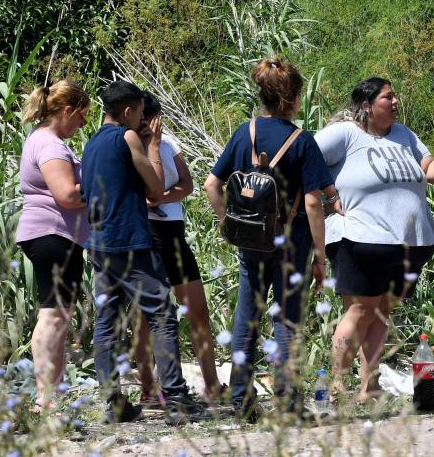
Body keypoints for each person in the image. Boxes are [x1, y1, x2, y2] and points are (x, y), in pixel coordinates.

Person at [314, 77, 434, 403]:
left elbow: (428, 168)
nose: (396, 101)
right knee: (360, 310)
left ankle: (369, 387)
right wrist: (328, 196)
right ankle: (338, 387)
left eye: (395, 96)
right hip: (360, 237)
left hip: (409, 241)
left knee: (382, 311)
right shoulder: (345, 134)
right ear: (366, 105)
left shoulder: (405, 136)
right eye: (388, 97)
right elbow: (304, 158)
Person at [204, 57, 336, 420]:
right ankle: (289, 403)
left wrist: (228, 224)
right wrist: (321, 257)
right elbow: (312, 201)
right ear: (293, 98)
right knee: (286, 322)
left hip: (251, 243)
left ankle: (242, 402)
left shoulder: (244, 132)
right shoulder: (302, 141)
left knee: (246, 320)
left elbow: (211, 185)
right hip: (292, 244)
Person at [81, 80, 206, 424]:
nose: (141, 118)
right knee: (163, 314)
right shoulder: (127, 136)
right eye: (138, 112)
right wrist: (152, 144)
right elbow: (155, 186)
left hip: (99, 244)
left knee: (106, 326)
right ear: (127, 111)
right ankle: (177, 399)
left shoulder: (90, 144)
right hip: (130, 241)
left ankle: (112, 402)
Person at [132, 92, 224, 405]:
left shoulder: (167, 143)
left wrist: (163, 196)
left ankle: (212, 383)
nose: (149, 129)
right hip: (147, 233)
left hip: (173, 231)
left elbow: (187, 183)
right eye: (144, 123)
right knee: (148, 315)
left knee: (197, 307)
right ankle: (148, 385)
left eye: (153, 122)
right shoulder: (129, 145)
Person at [15, 79, 91, 411]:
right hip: (52, 234)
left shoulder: (46, 140)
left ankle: (52, 394)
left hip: (58, 236)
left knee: (59, 315)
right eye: (81, 116)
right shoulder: (50, 145)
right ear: (66, 110)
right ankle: (45, 397)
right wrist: (101, 185)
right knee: (52, 316)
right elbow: (68, 195)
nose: (83, 124)